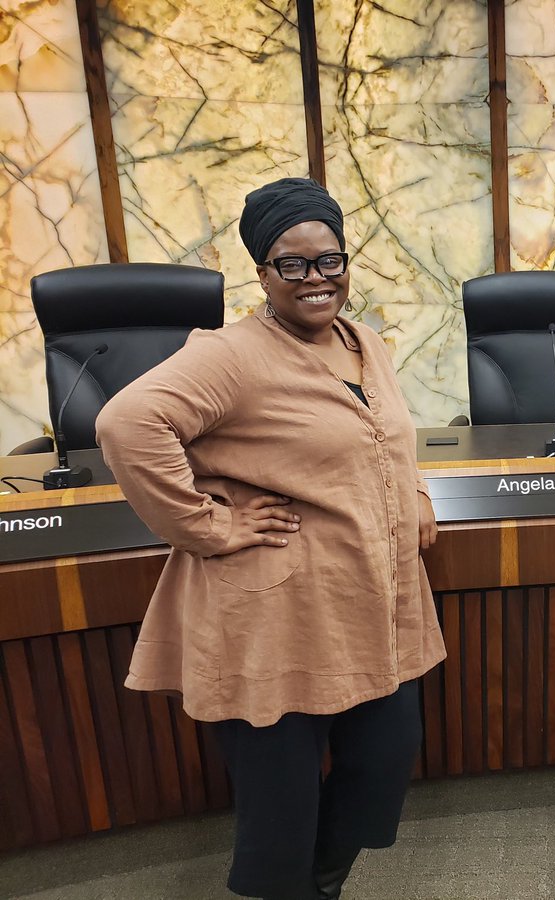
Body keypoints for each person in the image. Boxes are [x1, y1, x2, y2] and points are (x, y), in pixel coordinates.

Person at [96, 177, 445, 900]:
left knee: (381, 767)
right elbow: (128, 425)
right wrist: (208, 524)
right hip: (276, 614)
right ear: (263, 273)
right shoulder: (233, 355)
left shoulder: (366, 342)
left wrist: (414, 491)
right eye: (293, 263)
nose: (317, 278)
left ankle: (321, 883)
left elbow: (388, 434)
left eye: (330, 260)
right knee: (283, 807)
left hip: (374, 601)